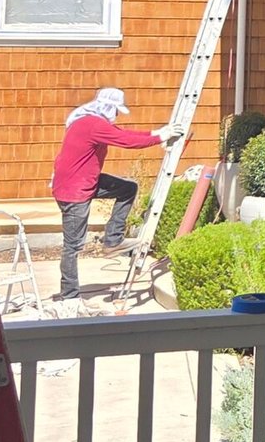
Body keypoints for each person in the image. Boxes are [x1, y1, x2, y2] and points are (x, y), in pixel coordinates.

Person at [50, 87, 178, 300]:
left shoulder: (88, 121)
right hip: (73, 191)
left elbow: (122, 134)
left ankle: (113, 240)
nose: (117, 114)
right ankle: (69, 296)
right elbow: (126, 141)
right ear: (108, 107)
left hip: (84, 181)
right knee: (73, 246)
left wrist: (155, 133)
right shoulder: (93, 125)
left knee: (128, 188)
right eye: (116, 109)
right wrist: (159, 138)